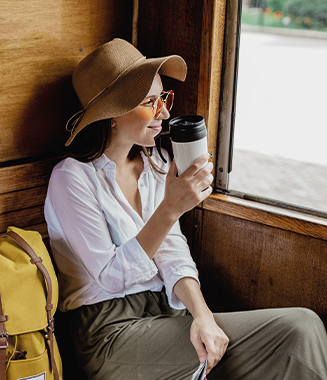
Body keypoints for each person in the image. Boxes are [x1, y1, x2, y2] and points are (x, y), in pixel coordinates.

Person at [44, 38, 327, 380]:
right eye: (150, 102)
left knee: (294, 333)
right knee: (297, 331)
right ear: (112, 115)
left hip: (166, 310)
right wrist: (169, 209)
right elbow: (111, 276)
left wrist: (202, 316)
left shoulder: (156, 163)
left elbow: (172, 253)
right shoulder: (71, 179)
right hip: (109, 331)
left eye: (163, 98)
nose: (164, 112)